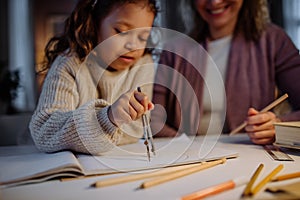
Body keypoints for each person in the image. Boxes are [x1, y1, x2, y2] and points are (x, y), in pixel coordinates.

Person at [151, 0, 300, 145]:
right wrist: (186, 146)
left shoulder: (273, 41)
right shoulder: (174, 50)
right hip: (190, 161)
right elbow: (154, 120)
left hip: (250, 157)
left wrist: (278, 124)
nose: (215, 2)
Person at [29, 0, 159, 155]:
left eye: (143, 38)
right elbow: (44, 131)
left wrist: (96, 130)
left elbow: (136, 129)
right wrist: (109, 118)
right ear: (94, 24)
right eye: (121, 31)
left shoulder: (143, 64)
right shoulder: (70, 63)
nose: (133, 46)